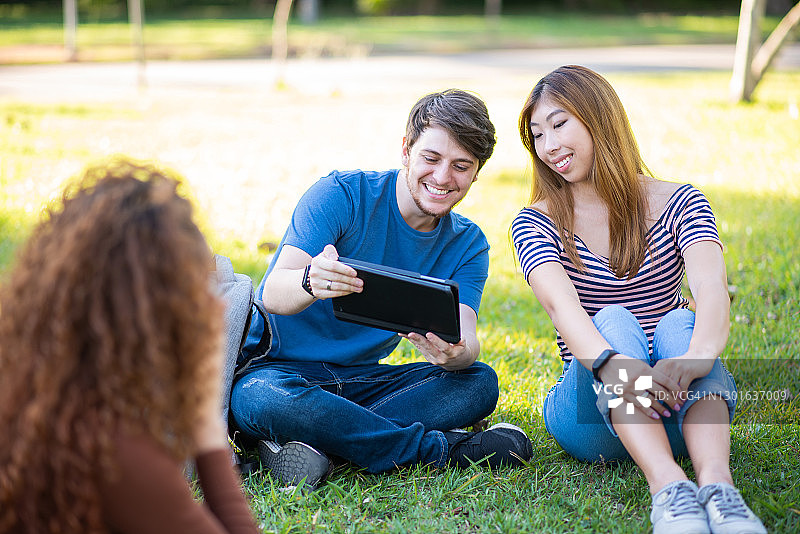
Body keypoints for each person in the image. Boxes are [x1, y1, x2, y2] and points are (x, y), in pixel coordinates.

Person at [230, 89, 533, 488]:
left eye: (461, 166)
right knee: (259, 399)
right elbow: (273, 293)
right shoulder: (341, 195)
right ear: (406, 150)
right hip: (280, 374)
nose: (443, 178)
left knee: (478, 382)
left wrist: (457, 354)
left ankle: (317, 446)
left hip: (366, 382)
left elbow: (466, 337)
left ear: (476, 172)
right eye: (431, 158)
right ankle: (444, 451)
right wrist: (310, 280)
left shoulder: (467, 244)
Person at [511, 65, 766, 534]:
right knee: (611, 319)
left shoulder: (682, 202)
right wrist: (615, 367)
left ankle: (719, 489)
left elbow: (710, 288)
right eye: (537, 134)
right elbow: (561, 307)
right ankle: (669, 489)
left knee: (678, 327)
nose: (548, 146)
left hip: (679, 408)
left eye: (559, 123)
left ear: (598, 116)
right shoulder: (535, 221)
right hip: (591, 417)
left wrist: (695, 359)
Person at [0, 159, 259, 534]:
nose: (219, 304)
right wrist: (206, 429)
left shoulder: (34, 386)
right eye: (196, 289)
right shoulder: (120, 456)